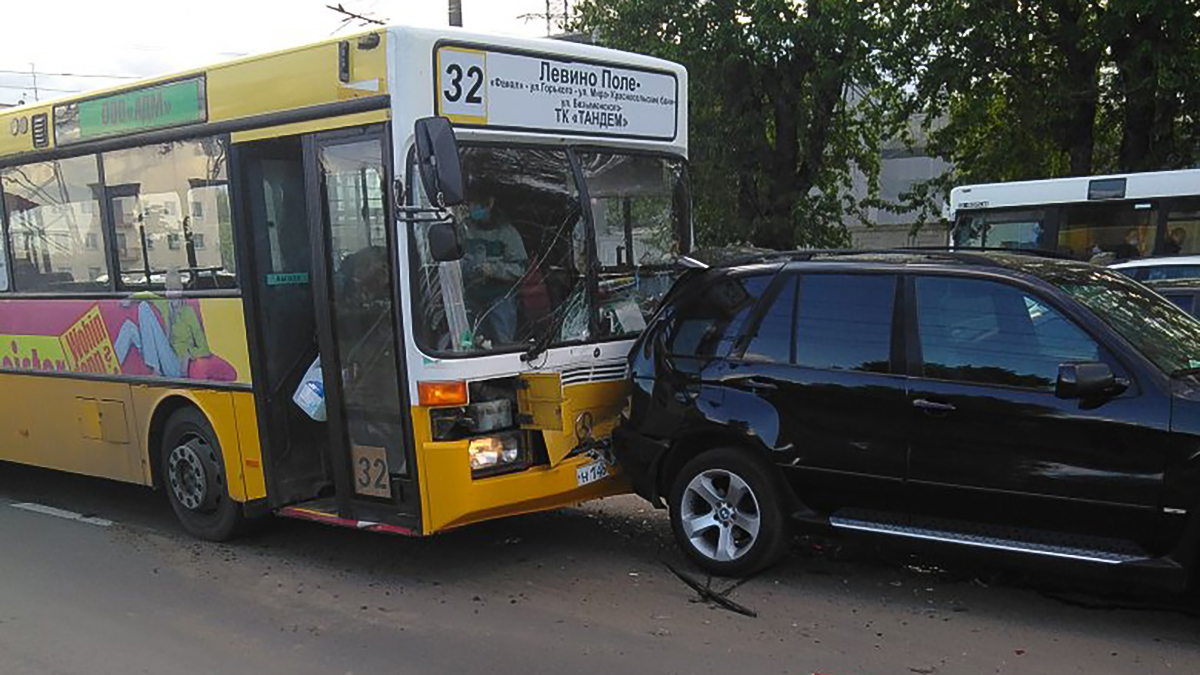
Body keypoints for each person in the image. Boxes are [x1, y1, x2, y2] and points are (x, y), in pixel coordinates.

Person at [461, 194, 528, 345]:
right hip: (471, 298)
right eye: (470, 204)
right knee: (469, 344)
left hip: (500, 298)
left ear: (489, 203)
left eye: (477, 204)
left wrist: (494, 270)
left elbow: (520, 268)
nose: (473, 209)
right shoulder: (464, 230)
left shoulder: (507, 233)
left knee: (503, 344)